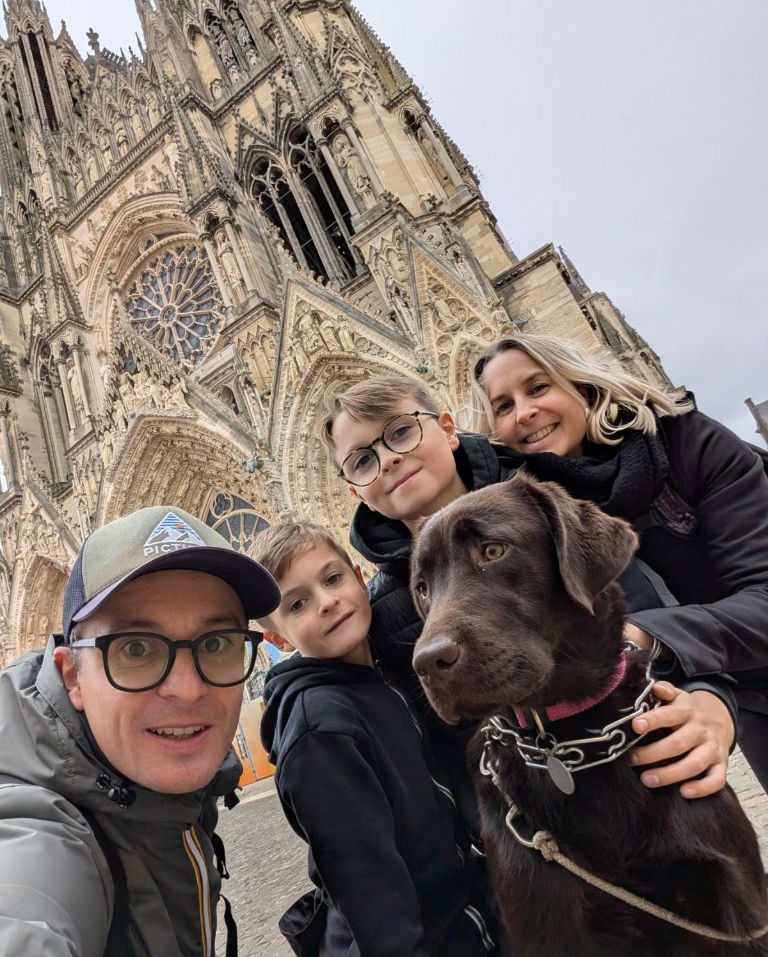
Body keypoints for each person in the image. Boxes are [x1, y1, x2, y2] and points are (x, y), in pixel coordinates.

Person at [321, 374, 738, 805]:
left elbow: (661, 612)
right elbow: (429, 747)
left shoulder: (550, 497)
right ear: (356, 492)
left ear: (448, 430)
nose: (387, 459)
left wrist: (713, 699)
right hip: (524, 816)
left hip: (657, 767)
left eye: (401, 431)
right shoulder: (377, 610)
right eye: (362, 461)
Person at [470, 333, 768, 792]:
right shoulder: (532, 516)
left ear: (581, 387)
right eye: (503, 407)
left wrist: (649, 634)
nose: (524, 412)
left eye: (537, 387)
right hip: (746, 689)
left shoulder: (687, 441)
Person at [0, 505, 280, 957]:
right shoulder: (36, 828)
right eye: (135, 648)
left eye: (215, 644)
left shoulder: (167, 796)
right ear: (72, 676)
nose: (188, 689)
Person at [251, 520, 498, 957]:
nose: (327, 603)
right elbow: (374, 906)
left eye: (332, 578)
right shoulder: (320, 732)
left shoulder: (381, 671)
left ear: (360, 576)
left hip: (468, 916)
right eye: (298, 604)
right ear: (275, 637)